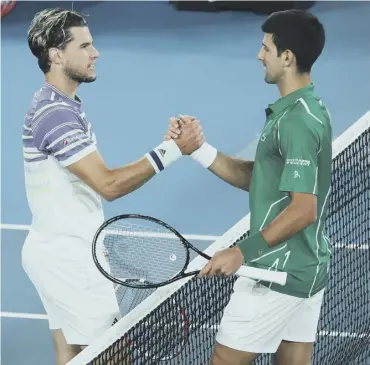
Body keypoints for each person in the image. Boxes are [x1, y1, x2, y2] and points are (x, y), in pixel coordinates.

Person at [21, 8, 204, 365]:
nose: (96, 53)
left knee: (71, 355)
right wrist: (170, 151)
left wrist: (166, 147)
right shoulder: (54, 114)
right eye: (85, 45)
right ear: (57, 55)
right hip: (67, 258)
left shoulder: (63, 104)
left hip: (59, 251)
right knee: (113, 354)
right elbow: (108, 184)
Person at [166, 9, 331, 365]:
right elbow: (264, 180)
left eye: (266, 48)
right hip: (306, 267)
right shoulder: (305, 109)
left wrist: (241, 252)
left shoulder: (297, 122)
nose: (259, 55)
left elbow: (303, 208)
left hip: (275, 272)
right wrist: (200, 151)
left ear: (287, 57)